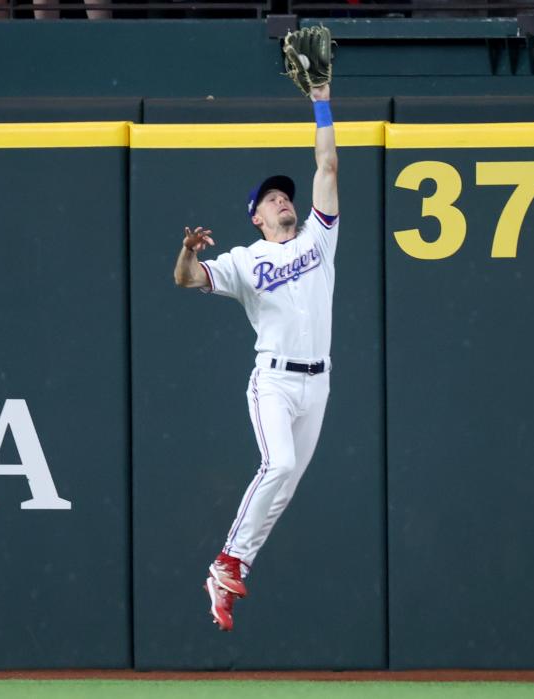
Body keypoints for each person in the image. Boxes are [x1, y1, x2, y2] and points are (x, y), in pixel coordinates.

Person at [172, 81, 338, 632]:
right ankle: (224, 561)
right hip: (274, 382)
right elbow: (188, 279)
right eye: (270, 198)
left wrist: (321, 99)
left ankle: (232, 568)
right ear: (256, 217)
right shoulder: (245, 260)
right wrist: (188, 251)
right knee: (280, 465)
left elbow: (329, 167)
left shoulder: (319, 239)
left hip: (319, 385)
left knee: (286, 484)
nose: (282, 199)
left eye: (284, 194)